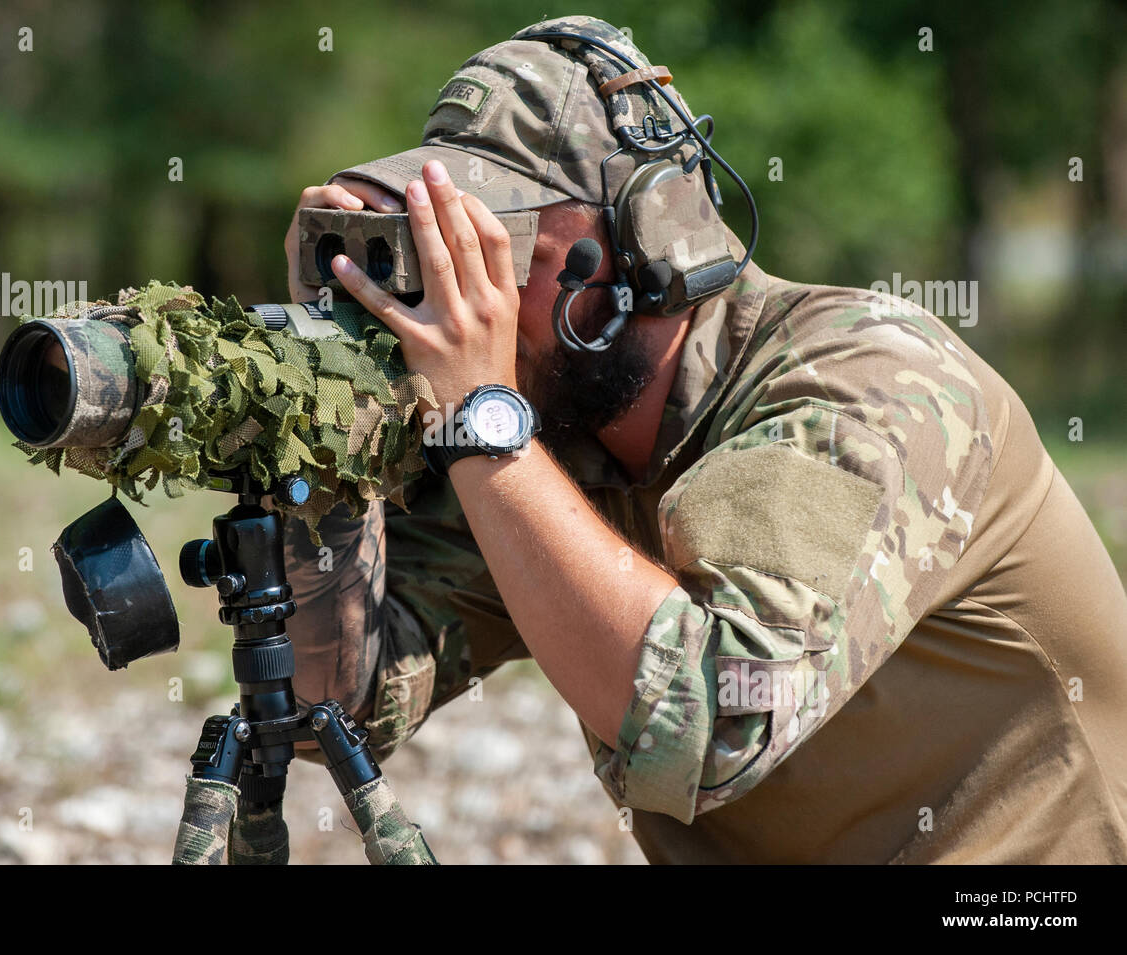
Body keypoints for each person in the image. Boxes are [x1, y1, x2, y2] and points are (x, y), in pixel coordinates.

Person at [279, 15, 1127, 863]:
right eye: (443, 244)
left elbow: (712, 717)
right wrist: (327, 422)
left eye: (502, 239)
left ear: (640, 230)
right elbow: (338, 707)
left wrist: (482, 421)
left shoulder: (861, 383)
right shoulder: (560, 443)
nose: (468, 287)